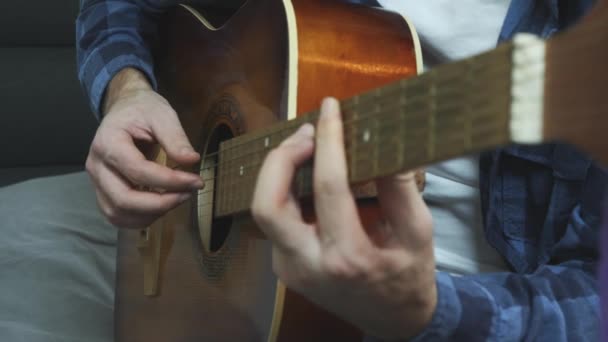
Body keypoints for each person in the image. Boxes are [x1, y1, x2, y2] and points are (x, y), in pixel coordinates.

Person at [73, 0, 604, 340]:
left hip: (456, 306)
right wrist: (126, 90)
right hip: (231, 295)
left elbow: (594, 304)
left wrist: (427, 312)